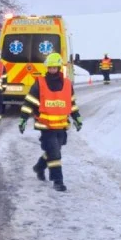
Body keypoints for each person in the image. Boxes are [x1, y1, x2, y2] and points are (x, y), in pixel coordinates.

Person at [18, 52, 82, 191]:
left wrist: (77, 117)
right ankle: (58, 181)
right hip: (45, 125)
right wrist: (23, 118)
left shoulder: (67, 84)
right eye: (50, 68)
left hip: (61, 125)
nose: (52, 70)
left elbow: (71, 103)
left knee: (55, 150)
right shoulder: (39, 83)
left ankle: (39, 167)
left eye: (54, 67)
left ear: (59, 67)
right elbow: (30, 102)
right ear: (47, 68)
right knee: (55, 153)